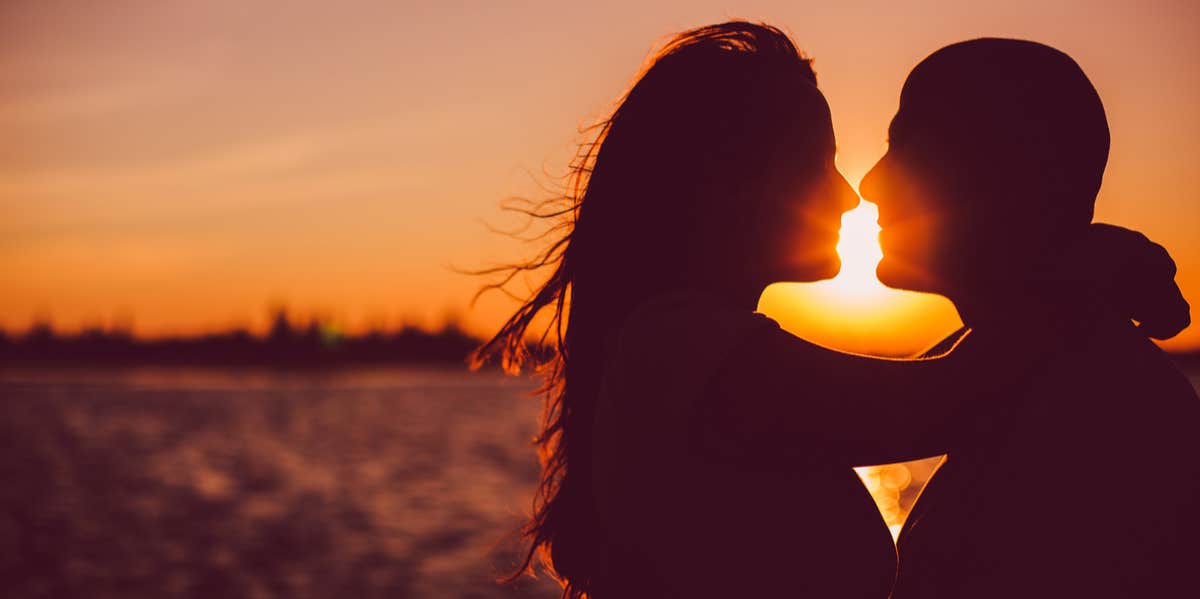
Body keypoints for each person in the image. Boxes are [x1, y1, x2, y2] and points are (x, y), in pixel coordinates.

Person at [474, 23, 1188, 598]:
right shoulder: (676, 346)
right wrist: (1088, 266)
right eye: (819, 162)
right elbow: (940, 396)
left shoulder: (1098, 403)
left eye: (901, 147)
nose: (855, 194)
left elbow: (935, 385)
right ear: (733, 186)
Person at [860, 38, 1199, 598]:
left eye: (905, 146)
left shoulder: (1101, 407)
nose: (870, 184)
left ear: (1006, 175)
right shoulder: (1026, 367)